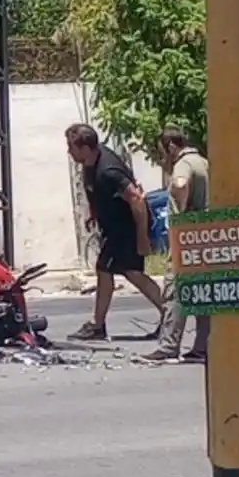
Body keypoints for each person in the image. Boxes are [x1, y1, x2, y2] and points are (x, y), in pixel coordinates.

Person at [65, 123, 166, 341]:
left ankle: (169, 316)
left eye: (71, 147)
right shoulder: (90, 164)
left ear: (84, 148)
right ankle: (98, 325)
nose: (69, 151)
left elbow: (137, 199)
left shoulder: (109, 170)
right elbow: (94, 192)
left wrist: (142, 237)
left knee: (131, 273)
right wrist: (93, 214)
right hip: (114, 229)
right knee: (108, 270)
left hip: (127, 228)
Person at [139, 126, 210, 364]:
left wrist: (180, 216)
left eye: (163, 152)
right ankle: (202, 346)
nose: (163, 159)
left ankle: (169, 345)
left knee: (174, 291)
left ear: (171, 146)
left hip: (186, 239)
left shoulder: (183, 164)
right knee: (202, 294)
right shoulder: (203, 161)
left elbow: (180, 184)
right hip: (205, 238)